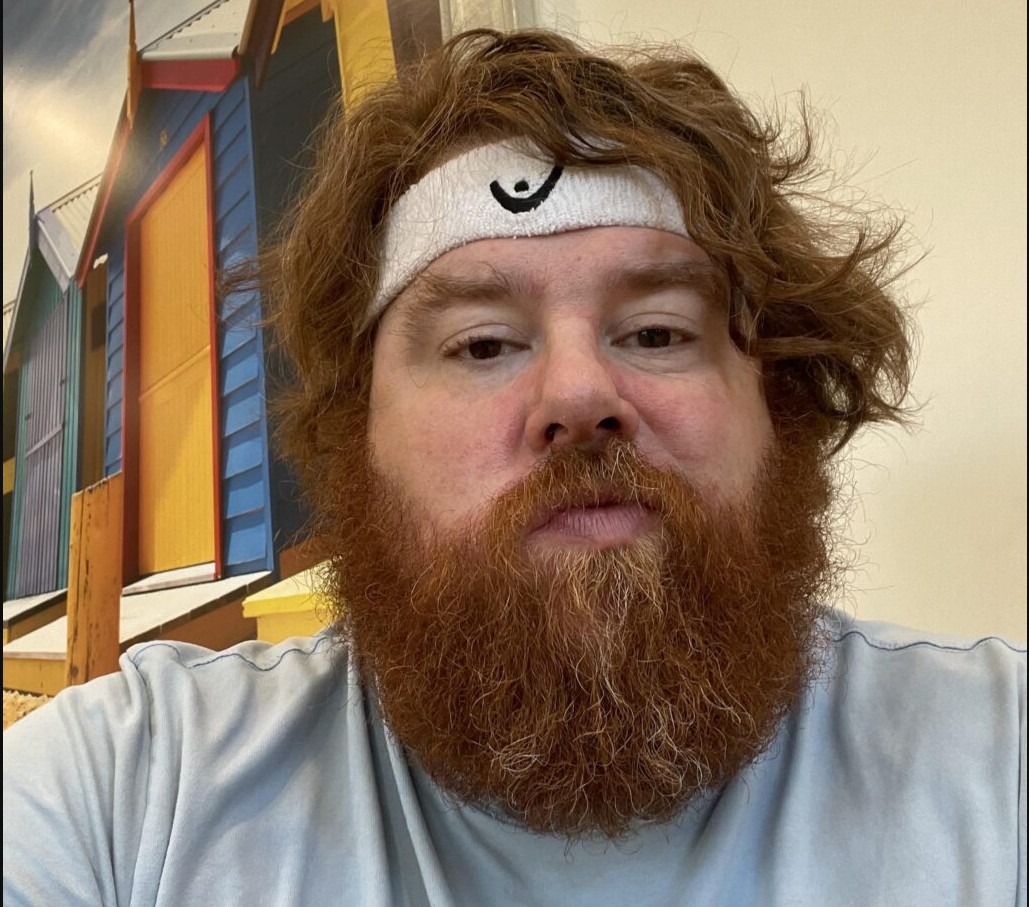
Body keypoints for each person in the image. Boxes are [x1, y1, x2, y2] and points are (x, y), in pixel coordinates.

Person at [4, 29, 1025, 906]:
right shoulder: (121, 796)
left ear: (778, 404)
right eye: (483, 344)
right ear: (357, 438)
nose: (579, 394)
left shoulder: (999, 763)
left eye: (659, 332)